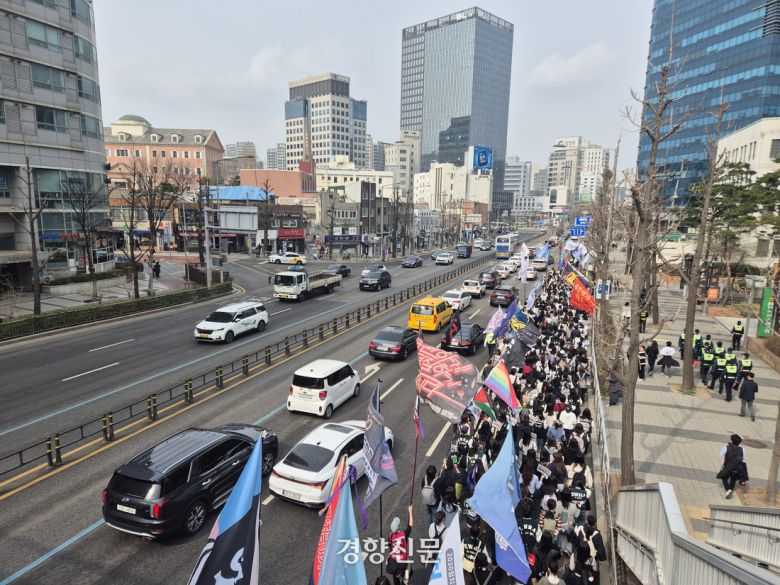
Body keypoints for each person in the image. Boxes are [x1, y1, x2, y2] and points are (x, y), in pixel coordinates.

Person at [387, 505, 414, 585]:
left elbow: (390, 546)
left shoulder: (390, 536)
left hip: (394, 561)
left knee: (395, 576)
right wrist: (410, 511)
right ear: (399, 526)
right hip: (402, 561)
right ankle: (405, 582)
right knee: (407, 570)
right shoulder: (403, 535)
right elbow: (410, 525)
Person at [717, 434, 745, 499]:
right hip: (736, 467)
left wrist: (727, 456)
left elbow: (721, 455)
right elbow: (743, 459)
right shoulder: (742, 449)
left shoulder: (726, 447)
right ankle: (730, 489)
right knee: (733, 478)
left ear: (732, 441)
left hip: (727, 466)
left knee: (724, 477)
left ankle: (728, 489)